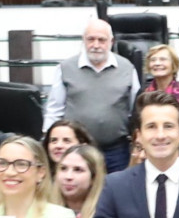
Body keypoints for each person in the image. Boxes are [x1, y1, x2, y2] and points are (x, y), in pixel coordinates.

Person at [46, 19, 140, 170]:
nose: (96, 45)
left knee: (116, 191)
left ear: (111, 42)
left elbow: (135, 111)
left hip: (116, 150)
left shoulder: (127, 68)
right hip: (77, 150)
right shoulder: (65, 68)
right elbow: (54, 110)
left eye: (101, 40)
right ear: (83, 40)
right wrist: (48, 142)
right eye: (91, 39)